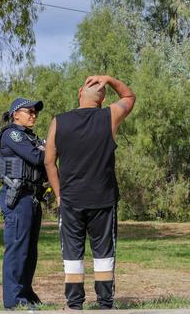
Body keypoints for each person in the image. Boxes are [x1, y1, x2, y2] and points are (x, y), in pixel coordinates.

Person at [44, 75, 135, 310]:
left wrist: (58, 194)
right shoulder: (109, 117)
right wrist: (109, 79)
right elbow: (129, 96)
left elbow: (49, 162)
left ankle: (74, 305)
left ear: (79, 93)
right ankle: (105, 304)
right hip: (103, 200)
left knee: (72, 253)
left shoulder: (59, 121)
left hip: (71, 201)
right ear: (103, 99)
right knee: (104, 253)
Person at [0, 97, 47, 310]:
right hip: (18, 199)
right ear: (16, 114)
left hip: (32, 198)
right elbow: (37, 157)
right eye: (29, 111)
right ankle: (14, 300)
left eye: (35, 112)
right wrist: (45, 149)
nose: (33, 115)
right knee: (17, 248)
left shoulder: (29, 137)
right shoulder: (12, 134)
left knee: (29, 250)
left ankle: (26, 292)